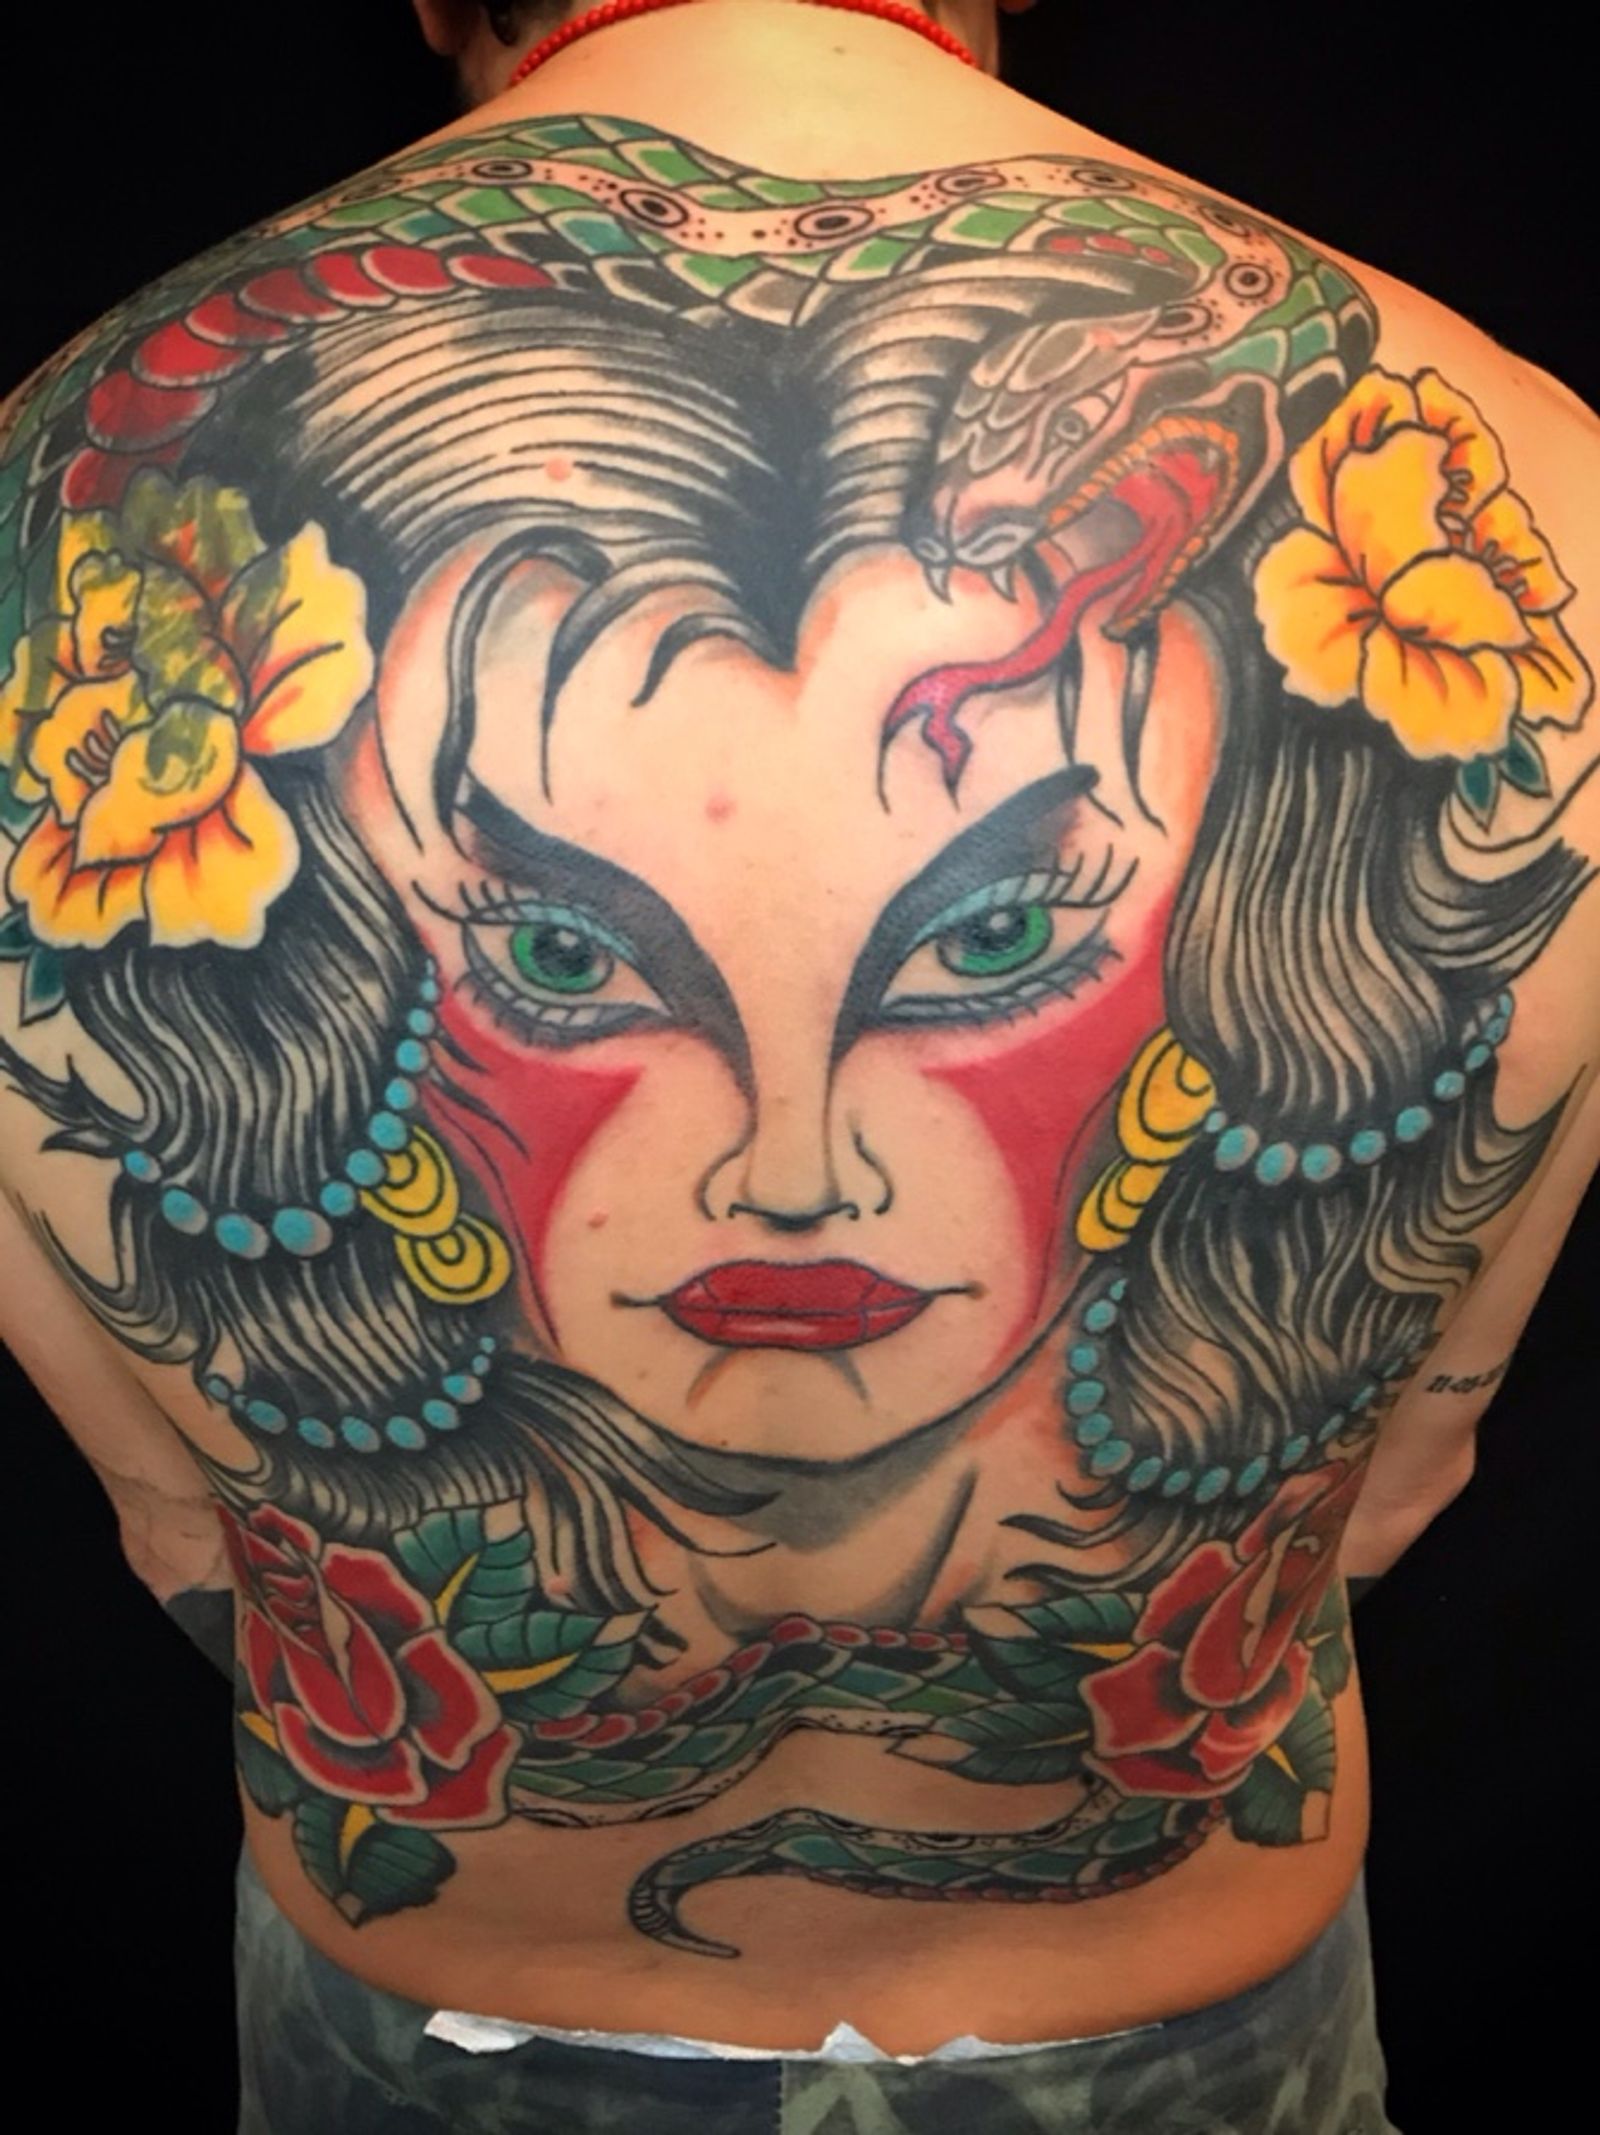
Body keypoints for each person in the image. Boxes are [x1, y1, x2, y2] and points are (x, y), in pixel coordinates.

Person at [1, 2, 1595, 2127]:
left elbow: (181, 1534)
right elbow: (1403, 1474)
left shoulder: (40, 516)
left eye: (994, 940)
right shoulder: (1526, 484)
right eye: (561, 955)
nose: (788, 1174)